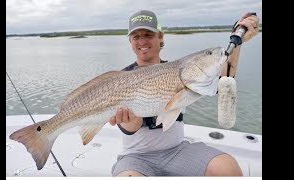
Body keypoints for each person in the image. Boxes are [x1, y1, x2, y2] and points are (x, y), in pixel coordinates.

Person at [109, 10, 260, 176]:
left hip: (178, 151)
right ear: (130, 41)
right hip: (136, 157)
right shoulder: (121, 80)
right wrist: (130, 120)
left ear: (161, 37)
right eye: (136, 36)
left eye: (148, 34)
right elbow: (131, 128)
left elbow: (225, 79)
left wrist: (237, 40)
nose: (142, 41)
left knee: (227, 168)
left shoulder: (183, 72)